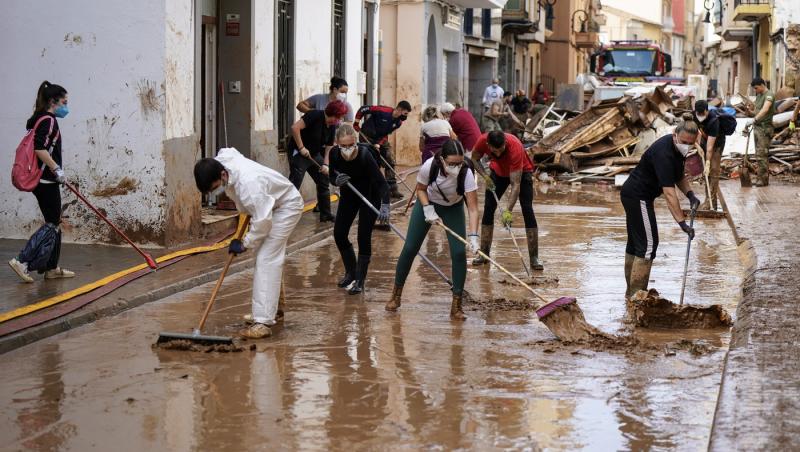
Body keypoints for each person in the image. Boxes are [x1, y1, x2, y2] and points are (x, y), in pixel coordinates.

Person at [194, 147, 304, 339]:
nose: (216, 192)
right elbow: (229, 151)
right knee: (264, 257)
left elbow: (262, 222)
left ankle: (262, 322)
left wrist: (244, 242)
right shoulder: (223, 163)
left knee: (266, 259)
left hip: (286, 207)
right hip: (269, 206)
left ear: (222, 174)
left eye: (215, 187)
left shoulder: (249, 185)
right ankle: (274, 307)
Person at [385, 139, 480, 320]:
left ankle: (457, 305)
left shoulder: (466, 171)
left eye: (459, 163)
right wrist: (428, 208)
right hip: (427, 205)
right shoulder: (429, 166)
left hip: (453, 207)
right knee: (410, 248)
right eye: (452, 164)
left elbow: (473, 208)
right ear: (442, 160)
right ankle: (395, 295)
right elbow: (420, 189)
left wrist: (474, 236)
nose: (456, 167)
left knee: (459, 253)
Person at [620, 118, 702, 299]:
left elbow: (678, 175)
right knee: (648, 245)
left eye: (691, 143)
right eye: (684, 142)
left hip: (636, 195)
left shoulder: (677, 150)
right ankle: (637, 297)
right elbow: (669, 193)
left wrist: (690, 194)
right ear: (675, 135)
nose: (687, 146)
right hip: (638, 196)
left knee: (636, 244)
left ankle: (631, 295)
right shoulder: (664, 153)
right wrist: (682, 223)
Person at [9, 81, 74, 283]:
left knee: (54, 222)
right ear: (53, 101)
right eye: (64, 102)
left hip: (45, 180)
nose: (66, 106)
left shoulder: (40, 119)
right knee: (52, 223)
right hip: (46, 180)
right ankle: (22, 261)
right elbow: (39, 148)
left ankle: (51, 268)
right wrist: (57, 169)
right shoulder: (49, 120)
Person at [328, 124, 390, 295]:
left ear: (355, 142)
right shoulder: (334, 154)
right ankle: (351, 272)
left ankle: (360, 280)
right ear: (337, 144)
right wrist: (336, 180)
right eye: (343, 146)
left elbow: (382, 184)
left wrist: (385, 206)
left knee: (363, 235)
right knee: (339, 234)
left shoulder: (364, 156)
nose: (347, 149)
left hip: (370, 195)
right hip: (349, 194)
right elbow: (332, 174)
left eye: (350, 145)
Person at [470, 131, 543, 271]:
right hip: (497, 172)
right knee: (488, 208)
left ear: (505, 143)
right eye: (493, 150)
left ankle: (534, 258)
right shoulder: (482, 141)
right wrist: (485, 176)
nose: (497, 154)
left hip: (522, 172)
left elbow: (515, 184)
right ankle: (484, 254)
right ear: (488, 145)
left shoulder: (515, 146)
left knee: (527, 209)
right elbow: (474, 158)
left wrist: (508, 212)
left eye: (501, 149)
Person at [287, 100, 349, 222]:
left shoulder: (332, 126)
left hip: (314, 154)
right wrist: (301, 148)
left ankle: (325, 213)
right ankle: (284, 215)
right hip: (299, 153)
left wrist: (326, 163)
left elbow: (329, 146)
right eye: (338, 117)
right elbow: (295, 128)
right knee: (295, 182)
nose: (338, 120)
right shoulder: (314, 115)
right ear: (332, 114)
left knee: (323, 180)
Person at [353, 101, 412, 199]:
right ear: (400, 110)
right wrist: (356, 122)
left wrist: (378, 144)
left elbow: (386, 134)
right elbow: (363, 109)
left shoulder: (399, 122)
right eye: (405, 113)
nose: (406, 116)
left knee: (390, 159)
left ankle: (392, 188)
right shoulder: (383, 110)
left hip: (380, 139)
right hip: (366, 136)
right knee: (372, 162)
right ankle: (373, 189)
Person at [693, 100, 726, 211]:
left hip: (717, 144)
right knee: (706, 174)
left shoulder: (713, 121)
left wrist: (707, 162)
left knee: (713, 170)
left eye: (702, 114)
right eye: (699, 114)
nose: (700, 116)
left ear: (707, 111)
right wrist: (697, 145)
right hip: (703, 140)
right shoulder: (694, 115)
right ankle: (708, 201)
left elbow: (710, 147)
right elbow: (694, 132)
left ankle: (711, 202)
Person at [748, 77, 775, 186]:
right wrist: (749, 111)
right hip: (757, 128)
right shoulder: (759, 96)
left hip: (764, 129)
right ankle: (760, 177)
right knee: (758, 155)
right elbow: (756, 111)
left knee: (762, 155)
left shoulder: (769, 95)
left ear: (762, 85)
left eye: (756, 88)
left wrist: (755, 119)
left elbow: (765, 109)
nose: (755, 90)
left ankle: (763, 180)